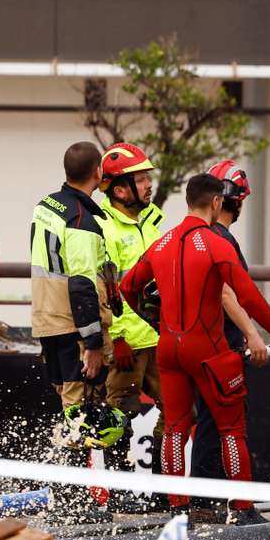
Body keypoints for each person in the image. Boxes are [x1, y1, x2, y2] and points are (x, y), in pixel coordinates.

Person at [121, 174, 270, 526]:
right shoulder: (216, 243)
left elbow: (129, 287)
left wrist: (154, 321)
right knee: (231, 429)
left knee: (175, 427)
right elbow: (248, 296)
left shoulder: (162, 243)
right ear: (217, 202)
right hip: (209, 350)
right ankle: (242, 507)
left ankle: (178, 509)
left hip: (168, 348)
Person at [30, 142, 114, 518]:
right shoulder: (82, 218)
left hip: (48, 320)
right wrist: (93, 342)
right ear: (98, 170)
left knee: (68, 407)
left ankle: (69, 498)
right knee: (79, 410)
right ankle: (75, 503)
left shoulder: (47, 205)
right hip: (72, 325)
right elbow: (81, 283)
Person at [189, 160, 270, 523]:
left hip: (198, 342)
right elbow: (228, 293)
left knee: (205, 423)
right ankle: (234, 506)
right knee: (227, 425)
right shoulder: (221, 240)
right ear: (235, 200)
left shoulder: (193, 237)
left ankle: (201, 504)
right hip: (222, 345)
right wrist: (254, 334)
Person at [96, 142, 166, 505]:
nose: (149, 184)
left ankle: (158, 490)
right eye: (141, 179)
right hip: (127, 342)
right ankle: (122, 492)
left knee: (176, 410)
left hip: (159, 335)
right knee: (118, 415)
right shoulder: (104, 226)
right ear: (121, 188)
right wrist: (118, 337)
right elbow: (106, 284)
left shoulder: (153, 219)